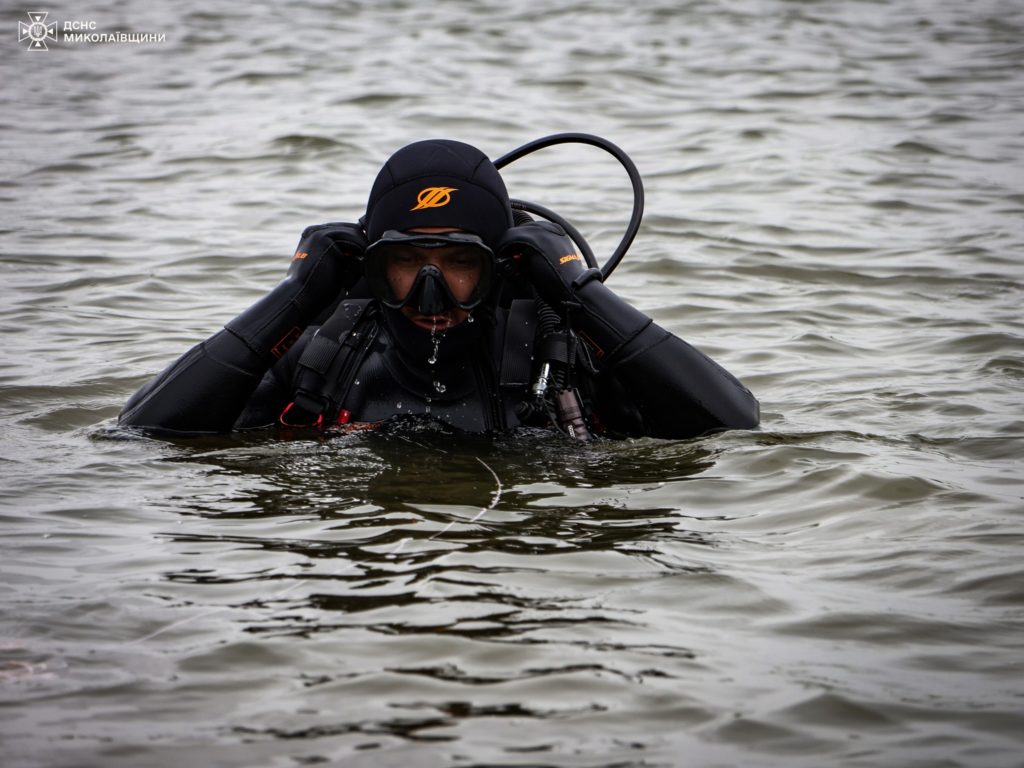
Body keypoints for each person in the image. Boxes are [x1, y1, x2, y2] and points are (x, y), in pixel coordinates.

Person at [119, 139, 759, 440]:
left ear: (501, 267)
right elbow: (141, 435)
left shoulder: (560, 355)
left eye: (458, 262)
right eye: (406, 263)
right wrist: (294, 296)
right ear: (373, 268)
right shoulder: (328, 351)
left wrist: (581, 293)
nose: (431, 293)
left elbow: (736, 427)